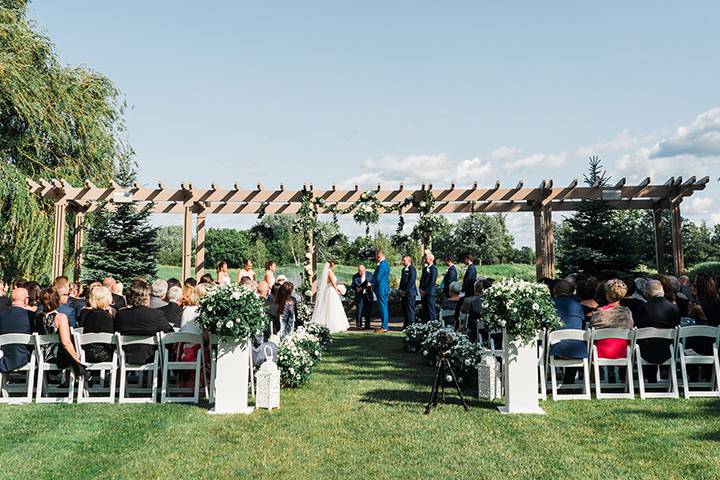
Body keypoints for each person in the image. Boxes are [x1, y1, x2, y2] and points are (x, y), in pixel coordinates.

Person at [115, 280, 173, 364]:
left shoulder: (121, 314)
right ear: (146, 297)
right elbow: (170, 333)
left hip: (126, 357)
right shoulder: (156, 314)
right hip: (151, 358)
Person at [33, 287, 85, 375]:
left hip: (41, 355)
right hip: (56, 357)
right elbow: (66, 342)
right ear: (57, 300)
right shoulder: (60, 317)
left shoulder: (37, 317)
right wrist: (77, 360)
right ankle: (69, 381)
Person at [635, 280, 680, 375]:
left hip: (647, 351)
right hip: (669, 350)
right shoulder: (674, 308)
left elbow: (639, 329)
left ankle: (649, 377)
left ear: (647, 293)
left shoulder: (643, 307)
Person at [549, 280, 588, 384]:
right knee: (575, 340)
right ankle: (569, 380)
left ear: (554, 292)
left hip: (556, 349)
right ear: (571, 293)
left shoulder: (550, 306)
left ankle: (545, 378)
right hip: (578, 349)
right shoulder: (578, 306)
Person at [591, 279, 634, 359]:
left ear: (607, 294)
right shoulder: (627, 312)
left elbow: (592, 329)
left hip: (600, 352)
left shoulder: (600, 312)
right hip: (622, 352)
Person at [311, 260, 349, 333]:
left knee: (330, 306)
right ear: (332, 265)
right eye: (334, 264)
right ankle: (334, 325)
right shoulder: (329, 272)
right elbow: (333, 283)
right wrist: (337, 289)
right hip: (331, 290)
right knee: (333, 307)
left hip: (329, 290)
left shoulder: (328, 272)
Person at [0, 287, 32, 372]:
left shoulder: (1, 316)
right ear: (26, 300)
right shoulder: (30, 316)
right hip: (24, 357)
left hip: (4, 356)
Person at [81, 286, 116, 363]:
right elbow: (110, 341)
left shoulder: (89, 315)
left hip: (87, 353)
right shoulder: (106, 317)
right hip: (104, 355)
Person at [372, 251, 390, 333]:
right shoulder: (385, 264)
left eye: (377, 257)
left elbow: (378, 278)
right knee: (384, 308)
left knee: (383, 308)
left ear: (379, 256)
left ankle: (384, 327)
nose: (376, 258)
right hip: (383, 288)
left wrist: (372, 285)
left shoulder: (382, 265)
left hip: (381, 289)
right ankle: (384, 326)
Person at [352, 264, 373, 330]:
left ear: (365, 270)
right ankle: (358, 325)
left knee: (368, 310)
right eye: (359, 271)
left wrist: (370, 284)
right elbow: (353, 285)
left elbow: (374, 282)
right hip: (359, 295)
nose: (360, 272)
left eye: (361, 271)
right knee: (359, 310)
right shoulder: (355, 276)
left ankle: (367, 326)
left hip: (368, 295)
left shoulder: (370, 275)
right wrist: (356, 288)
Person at [419, 252, 438, 322]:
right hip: (423, 293)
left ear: (430, 259)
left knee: (431, 310)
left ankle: (432, 324)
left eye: (426, 258)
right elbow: (421, 280)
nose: (424, 260)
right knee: (424, 310)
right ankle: (424, 324)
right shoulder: (425, 269)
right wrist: (420, 289)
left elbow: (432, 281)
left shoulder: (434, 269)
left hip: (430, 293)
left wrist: (426, 291)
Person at [399, 255, 417, 328]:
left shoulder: (412, 269)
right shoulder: (403, 269)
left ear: (408, 260)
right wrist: (400, 289)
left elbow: (411, 281)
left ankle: (411, 326)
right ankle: (406, 325)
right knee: (405, 310)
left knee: (410, 310)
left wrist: (405, 291)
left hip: (410, 293)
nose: (402, 262)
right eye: (402, 260)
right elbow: (402, 280)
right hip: (404, 293)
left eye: (404, 260)